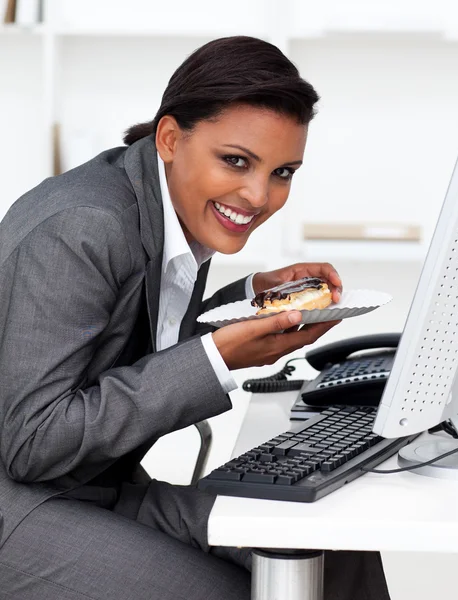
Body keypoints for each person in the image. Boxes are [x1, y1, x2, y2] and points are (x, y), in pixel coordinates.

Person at [0, 36, 390, 599]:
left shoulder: (171, 208)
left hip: (94, 487)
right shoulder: (82, 226)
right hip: (23, 500)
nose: (258, 195)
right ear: (169, 138)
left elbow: (127, 340)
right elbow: (32, 442)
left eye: (283, 172)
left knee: (334, 550)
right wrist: (221, 357)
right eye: (236, 161)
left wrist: (251, 298)